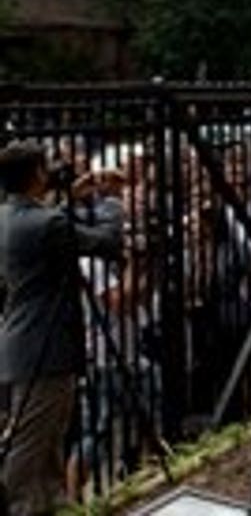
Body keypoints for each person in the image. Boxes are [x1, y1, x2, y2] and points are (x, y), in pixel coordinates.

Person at [0, 141, 124, 515]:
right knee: (31, 441)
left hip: (25, 340)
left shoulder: (8, 216)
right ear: (38, 172)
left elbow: (42, 226)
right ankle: (20, 506)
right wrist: (110, 203)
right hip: (45, 347)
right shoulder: (47, 223)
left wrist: (69, 196)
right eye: (47, 166)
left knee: (50, 433)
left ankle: (50, 503)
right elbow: (106, 242)